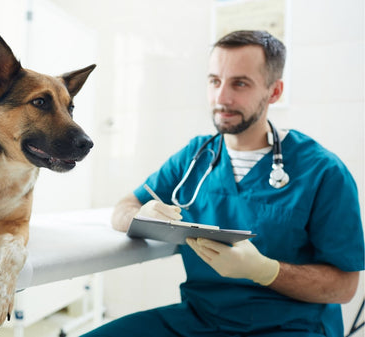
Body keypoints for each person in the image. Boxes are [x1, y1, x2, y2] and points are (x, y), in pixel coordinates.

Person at [82, 30, 365, 337]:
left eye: (240, 84)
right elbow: (124, 207)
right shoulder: (195, 156)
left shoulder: (322, 171)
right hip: (199, 321)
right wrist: (140, 215)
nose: (222, 98)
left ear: (274, 92)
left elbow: (344, 287)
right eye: (215, 81)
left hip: (290, 325)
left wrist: (266, 271)